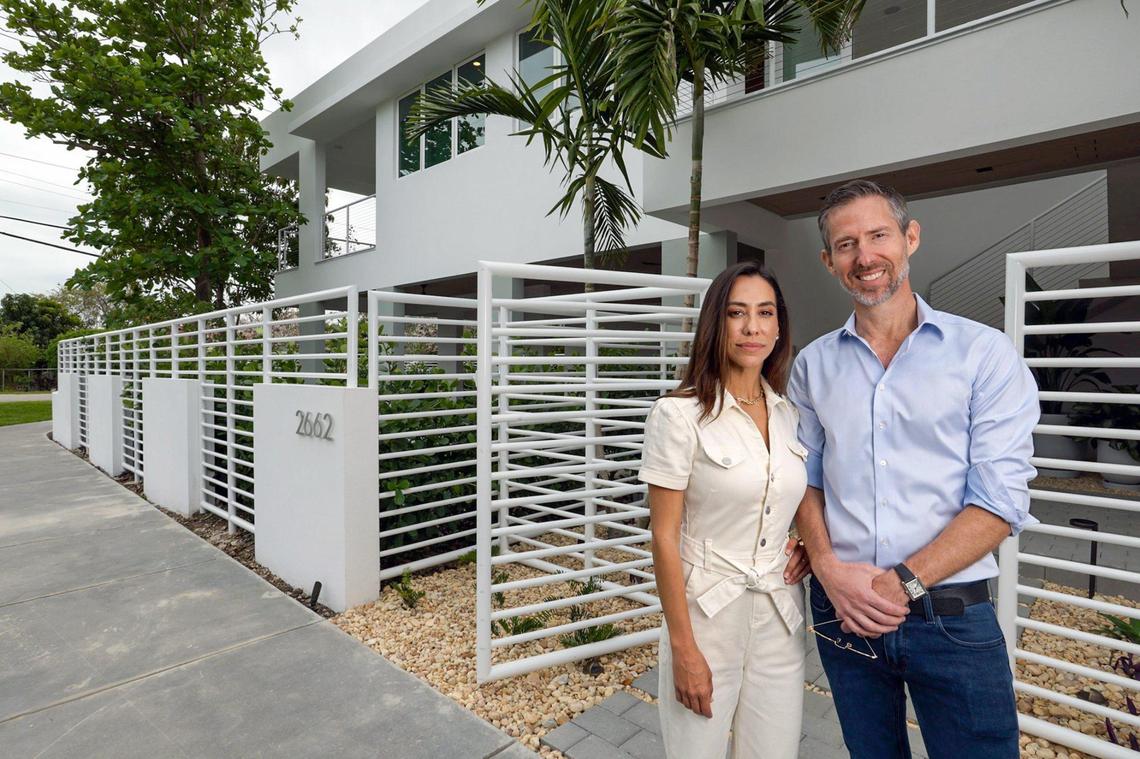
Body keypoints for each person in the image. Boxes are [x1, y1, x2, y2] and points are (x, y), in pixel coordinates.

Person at [788, 179, 1039, 759]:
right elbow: (807, 477)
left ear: (911, 238)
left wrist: (900, 582)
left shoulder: (983, 354)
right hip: (843, 613)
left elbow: (1000, 500)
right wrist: (824, 566)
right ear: (829, 262)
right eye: (846, 244)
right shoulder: (813, 365)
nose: (865, 256)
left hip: (951, 618)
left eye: (878, 235)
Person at [639, 261, 813, 759]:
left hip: (780, 615)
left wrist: (801, 540)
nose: (752, 327)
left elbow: (783, 495)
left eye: (764, 313)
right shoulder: (679, 415)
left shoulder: (788, 414)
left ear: (779, 326)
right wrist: (683, 648)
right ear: (717, 323)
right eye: (737, 313)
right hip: (705, 615)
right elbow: (663, 538)